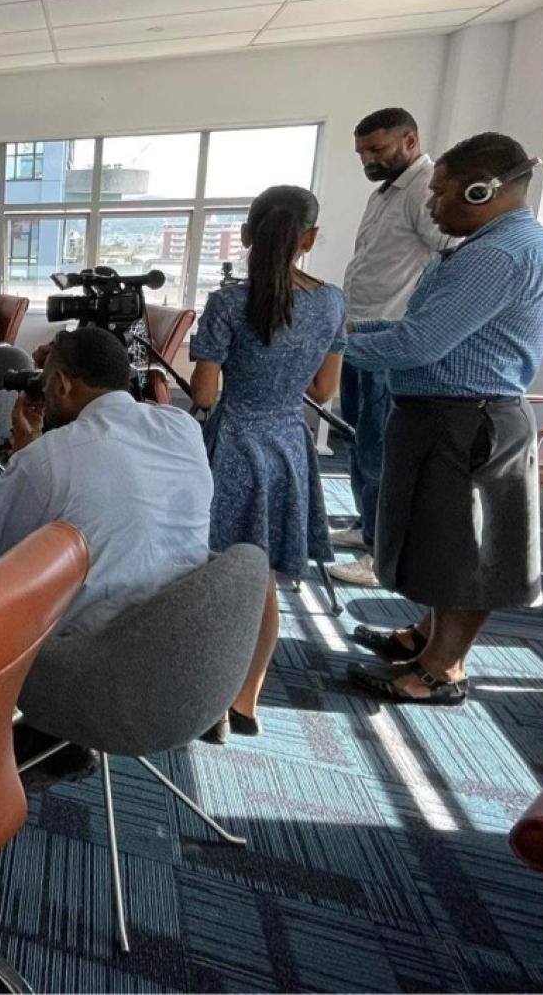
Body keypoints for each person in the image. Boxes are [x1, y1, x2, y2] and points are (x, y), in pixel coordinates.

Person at [343, 132, 543, 705]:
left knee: (465, 554)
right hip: (448, 418)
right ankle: (427, 639)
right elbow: (421, 333)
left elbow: (420, 342)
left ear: (483, 189)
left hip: (469, 424)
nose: (432, 207)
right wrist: (352, 333)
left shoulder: (498, 254)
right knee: (440, 544)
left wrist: (334, 344)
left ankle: (442, 671)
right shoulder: (492, 244)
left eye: (440, 194)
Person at [0, 327, 213, 764]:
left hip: (88, 670)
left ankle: (9, 728)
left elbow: (0, 554)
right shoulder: (183, 428)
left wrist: (25, 452)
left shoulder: (48, 458)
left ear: (62, 384)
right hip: (188, 656)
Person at [189, 186, 346, 737]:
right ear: (310, 238)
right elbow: (325, 390)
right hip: (287, 445)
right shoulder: (331, 301)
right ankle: (246, 701)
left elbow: (205, 395)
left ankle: (207, 698)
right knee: (263, 582)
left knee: (217, 574)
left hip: (231, 444)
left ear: (248, 236)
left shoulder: (228, 303)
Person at [329, 108, 449, 587]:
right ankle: (365, 528)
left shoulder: (424, 190)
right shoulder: (387, 192)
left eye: (376, 150)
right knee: (361, 438)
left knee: (379, 446)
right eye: (362, 152)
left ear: (410, 141)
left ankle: (380, 555)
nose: (367, 160)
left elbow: (447, 255)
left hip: (388, 336)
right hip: (360, 334)